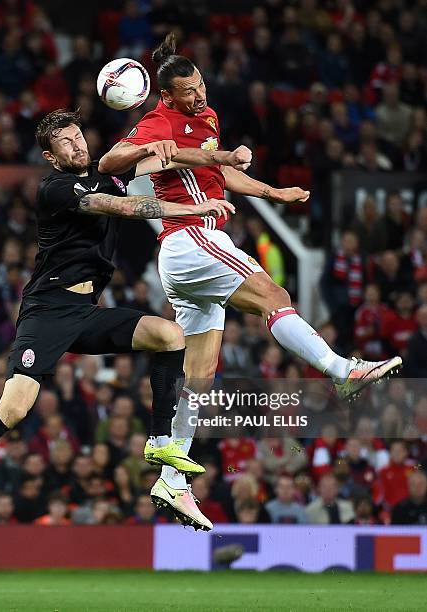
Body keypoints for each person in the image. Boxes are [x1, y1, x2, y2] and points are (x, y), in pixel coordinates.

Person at [99, 33, 402, 527]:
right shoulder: (157, 121)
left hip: (186, 254)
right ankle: (340, 370)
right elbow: (109, 163)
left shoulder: (208, 117)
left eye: (200, 85)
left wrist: (273, 192)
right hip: (191, 237)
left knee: (201, 372)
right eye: (189, 92)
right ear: (166, 97)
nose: (199, 95)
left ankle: (173, 480)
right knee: (274, 295)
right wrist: (151, 147)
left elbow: (224, 177)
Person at [0, 108, 246, 539]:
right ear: (52, 157)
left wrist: (217, 157)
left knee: (169, 336)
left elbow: (161, 163)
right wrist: (192, 207)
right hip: (48, 310)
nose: (78, 146)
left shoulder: (108, 174)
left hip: (87, 312)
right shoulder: (55, 188)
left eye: (79, 137)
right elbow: (120, 206)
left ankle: (159, 440)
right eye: (66, 144)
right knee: (15, 407)